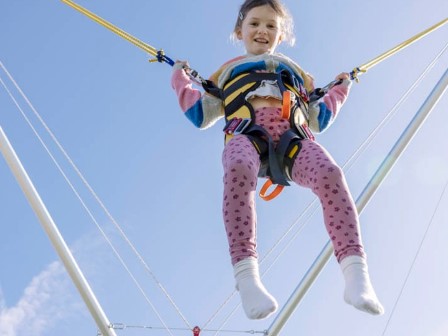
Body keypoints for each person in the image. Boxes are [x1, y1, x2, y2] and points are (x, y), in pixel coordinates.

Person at [171, 0, 384, 320]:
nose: (262, 31)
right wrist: (180, 78)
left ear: (281, 35)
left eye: (271, 26)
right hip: (246, 135)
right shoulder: (226, 71)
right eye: (255, 23)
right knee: (238, 168)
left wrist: (340, 89)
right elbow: (201, 115)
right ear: (239, 31)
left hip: (293, 141)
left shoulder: (299, 74)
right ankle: (247, 278)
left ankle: (356, 275)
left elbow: (317, 119)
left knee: (330, 174)